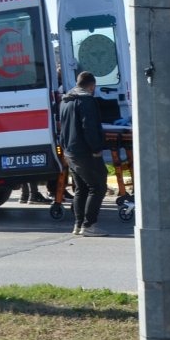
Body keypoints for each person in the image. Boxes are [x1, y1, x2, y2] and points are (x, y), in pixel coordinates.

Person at [58, 71, 110, 237]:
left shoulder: (65, 101)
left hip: (70, 151)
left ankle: (78, 224)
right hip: (85, 151)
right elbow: (89, 127)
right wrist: (96, 149)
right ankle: (89, 225)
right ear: (92, 85)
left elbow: (63, 127)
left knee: (81, 188)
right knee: (98, 186)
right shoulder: (86, 100)